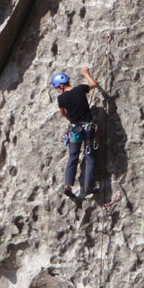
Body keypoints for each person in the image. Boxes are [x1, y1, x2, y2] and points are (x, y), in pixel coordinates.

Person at [52, 67, 99, 199]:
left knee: (73, 157)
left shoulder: (61, 98)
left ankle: (68, 186)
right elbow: (94, 84)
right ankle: (88, 186)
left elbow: (63, 114)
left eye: (57, 87)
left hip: (74, 130)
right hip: (88, 129)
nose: (57, 90)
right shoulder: (80, 89)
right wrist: (86, 74)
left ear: (61, 85)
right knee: (89, 157)